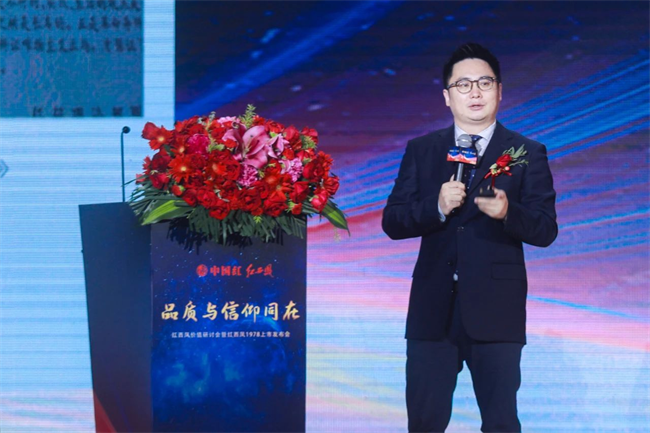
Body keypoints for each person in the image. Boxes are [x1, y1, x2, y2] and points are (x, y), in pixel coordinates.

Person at [381, 42, 558, 432]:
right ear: (447, 96)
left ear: (500, 90)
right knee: (424, 422)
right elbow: (393, 221)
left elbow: (546, 229)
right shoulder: (423, 150)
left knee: (500, 423)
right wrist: (436, 206)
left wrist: (509, 212)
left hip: (497, 311)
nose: (474, 92)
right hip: (432, 309)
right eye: (463, 84)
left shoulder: (527, 152)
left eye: (484, 82)